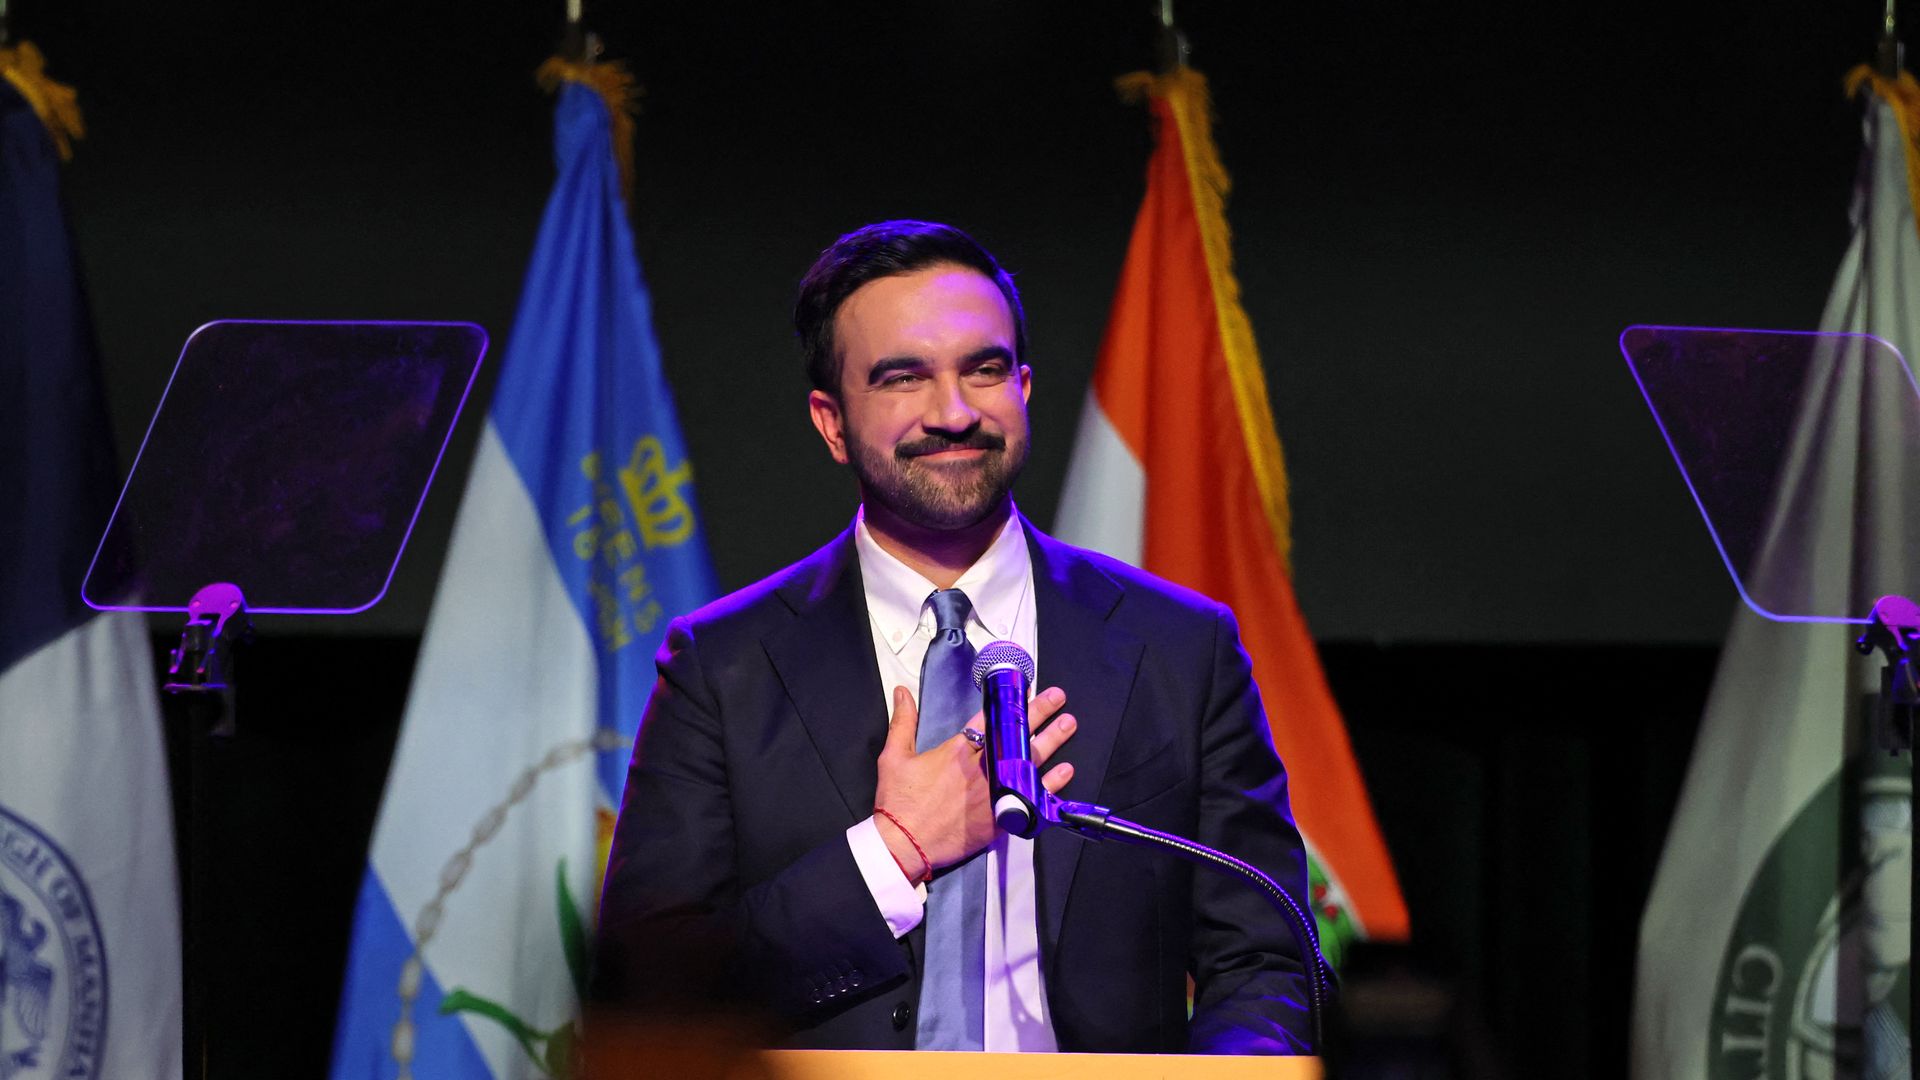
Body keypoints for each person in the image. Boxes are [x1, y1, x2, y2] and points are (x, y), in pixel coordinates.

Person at [592, 220, 1314, 1054]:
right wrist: (893, 851)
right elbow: (653, 996)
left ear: (1025, 388)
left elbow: (1266, 959)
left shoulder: (1181, 648)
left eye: (986, 369)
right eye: (904, 377)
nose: (956, 412)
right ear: (831, 422)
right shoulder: (723, 668)